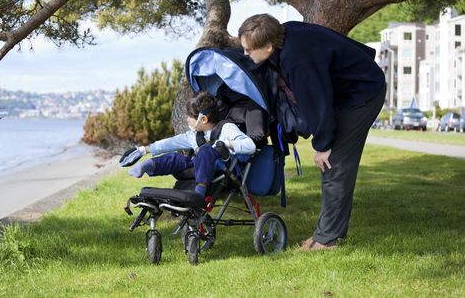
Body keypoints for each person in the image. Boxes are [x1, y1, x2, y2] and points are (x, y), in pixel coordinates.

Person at [238, 14, 386, 251]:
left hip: (363, 94)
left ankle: (327, 240)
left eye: (248, 50)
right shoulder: (284, 32)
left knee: (334, 163)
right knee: (334, 161)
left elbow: (318, 103)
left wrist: (323, 145)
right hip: (349, 87)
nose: (245, 54)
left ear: (268, 46)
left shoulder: (298, 61)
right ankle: (328, 233)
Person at [119, 91, 256, 196]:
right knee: (177, 158)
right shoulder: (194, 136)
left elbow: (250, 146)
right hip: (200, 167)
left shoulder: (227, 128)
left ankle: (199, 192)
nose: (187, 119)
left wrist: (226, 143)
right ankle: (149, 165)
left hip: (221, 170)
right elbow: (170, 143)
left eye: (190, 116)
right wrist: (143, 150)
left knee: (205, 151)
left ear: (203, 119)